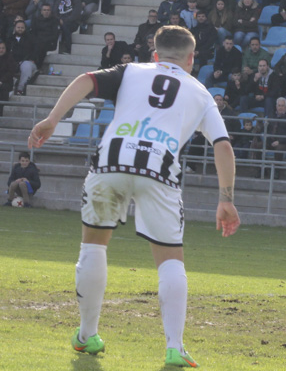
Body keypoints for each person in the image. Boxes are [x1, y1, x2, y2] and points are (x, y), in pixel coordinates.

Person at [27, 26, 240, 367]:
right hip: (159, 167)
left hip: (112, 158)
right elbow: (223, 146)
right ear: (191, 58)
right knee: (170, 259)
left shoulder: (130, 71)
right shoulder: (200, 92)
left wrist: (53, 119)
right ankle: (175, 347)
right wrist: (225, 198)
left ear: (154, 55)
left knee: (93, 246)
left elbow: (85, 79)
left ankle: (86, 336)